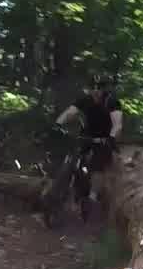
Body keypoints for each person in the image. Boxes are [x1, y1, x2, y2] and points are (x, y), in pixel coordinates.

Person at [49, 77, 123, 218]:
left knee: (98, 166)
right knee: (71, 157)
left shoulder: (112, 102)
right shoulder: (85, 100)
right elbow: (70, 112)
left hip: (103, 139)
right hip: (86, 137)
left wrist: (112, 138)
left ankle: (92, 197)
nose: (95, 91)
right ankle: (61, 186)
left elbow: (117, 124)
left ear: (104, 89)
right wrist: (58, 124)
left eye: (99, 88)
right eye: (93, 87)